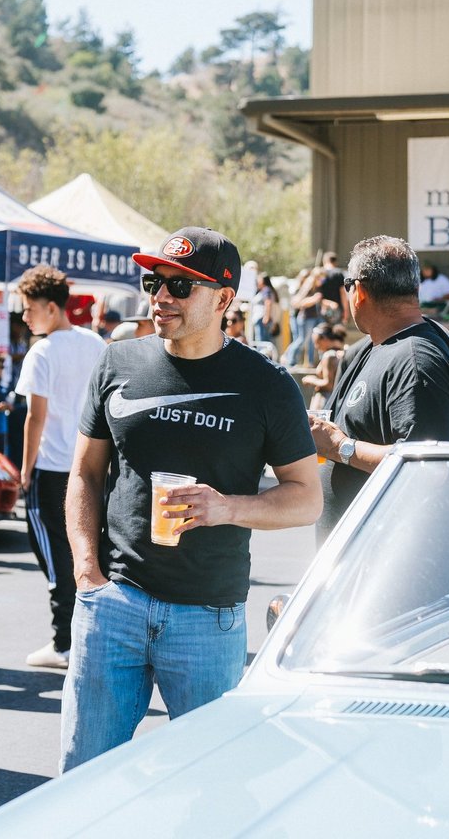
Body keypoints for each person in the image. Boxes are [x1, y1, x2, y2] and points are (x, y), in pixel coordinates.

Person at [62, 226, 320, 771]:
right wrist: (87, 571)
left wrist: (227, 507)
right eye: (154, 282)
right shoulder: (118, 363)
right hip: (114, 607)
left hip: (208, 618)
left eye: (181, 287)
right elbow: (84, 472)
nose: (161, 297)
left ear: (225, 299)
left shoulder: (267, 385)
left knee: (211, 782)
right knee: (82, 777)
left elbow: (306, 499)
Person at [310, 236, 449, 542]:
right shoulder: (375, 348)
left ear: (359, 291)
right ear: (415, 288)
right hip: (366, 565)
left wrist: (340, 447)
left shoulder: (416, 361)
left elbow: (426, 466)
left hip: (398, 572)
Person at [14, 264, 107, 670]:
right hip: (93, 465)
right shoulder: (94, 343)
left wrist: (24, 469)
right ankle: (84, 635)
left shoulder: (43, 352)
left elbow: (35, 417)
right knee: (89, 549)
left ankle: (65, 641)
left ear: (51, 308)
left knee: (55, 556)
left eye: (29, 309)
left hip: (52, 468)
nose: (24, 316)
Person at [300, 322, 346, 411]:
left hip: (326, 402)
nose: (316, 347)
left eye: (317, 343)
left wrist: (311, 380)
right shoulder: (341, 352)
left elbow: (329, 384)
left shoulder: (329, 356)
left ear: (324, 339)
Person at [251, 272, 281, 347]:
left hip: (262, 318)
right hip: (262, 318)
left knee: (262, 341)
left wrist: (266, 316)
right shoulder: (265, 290)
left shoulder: (266, 290)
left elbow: (268, 303)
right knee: (266, 340)